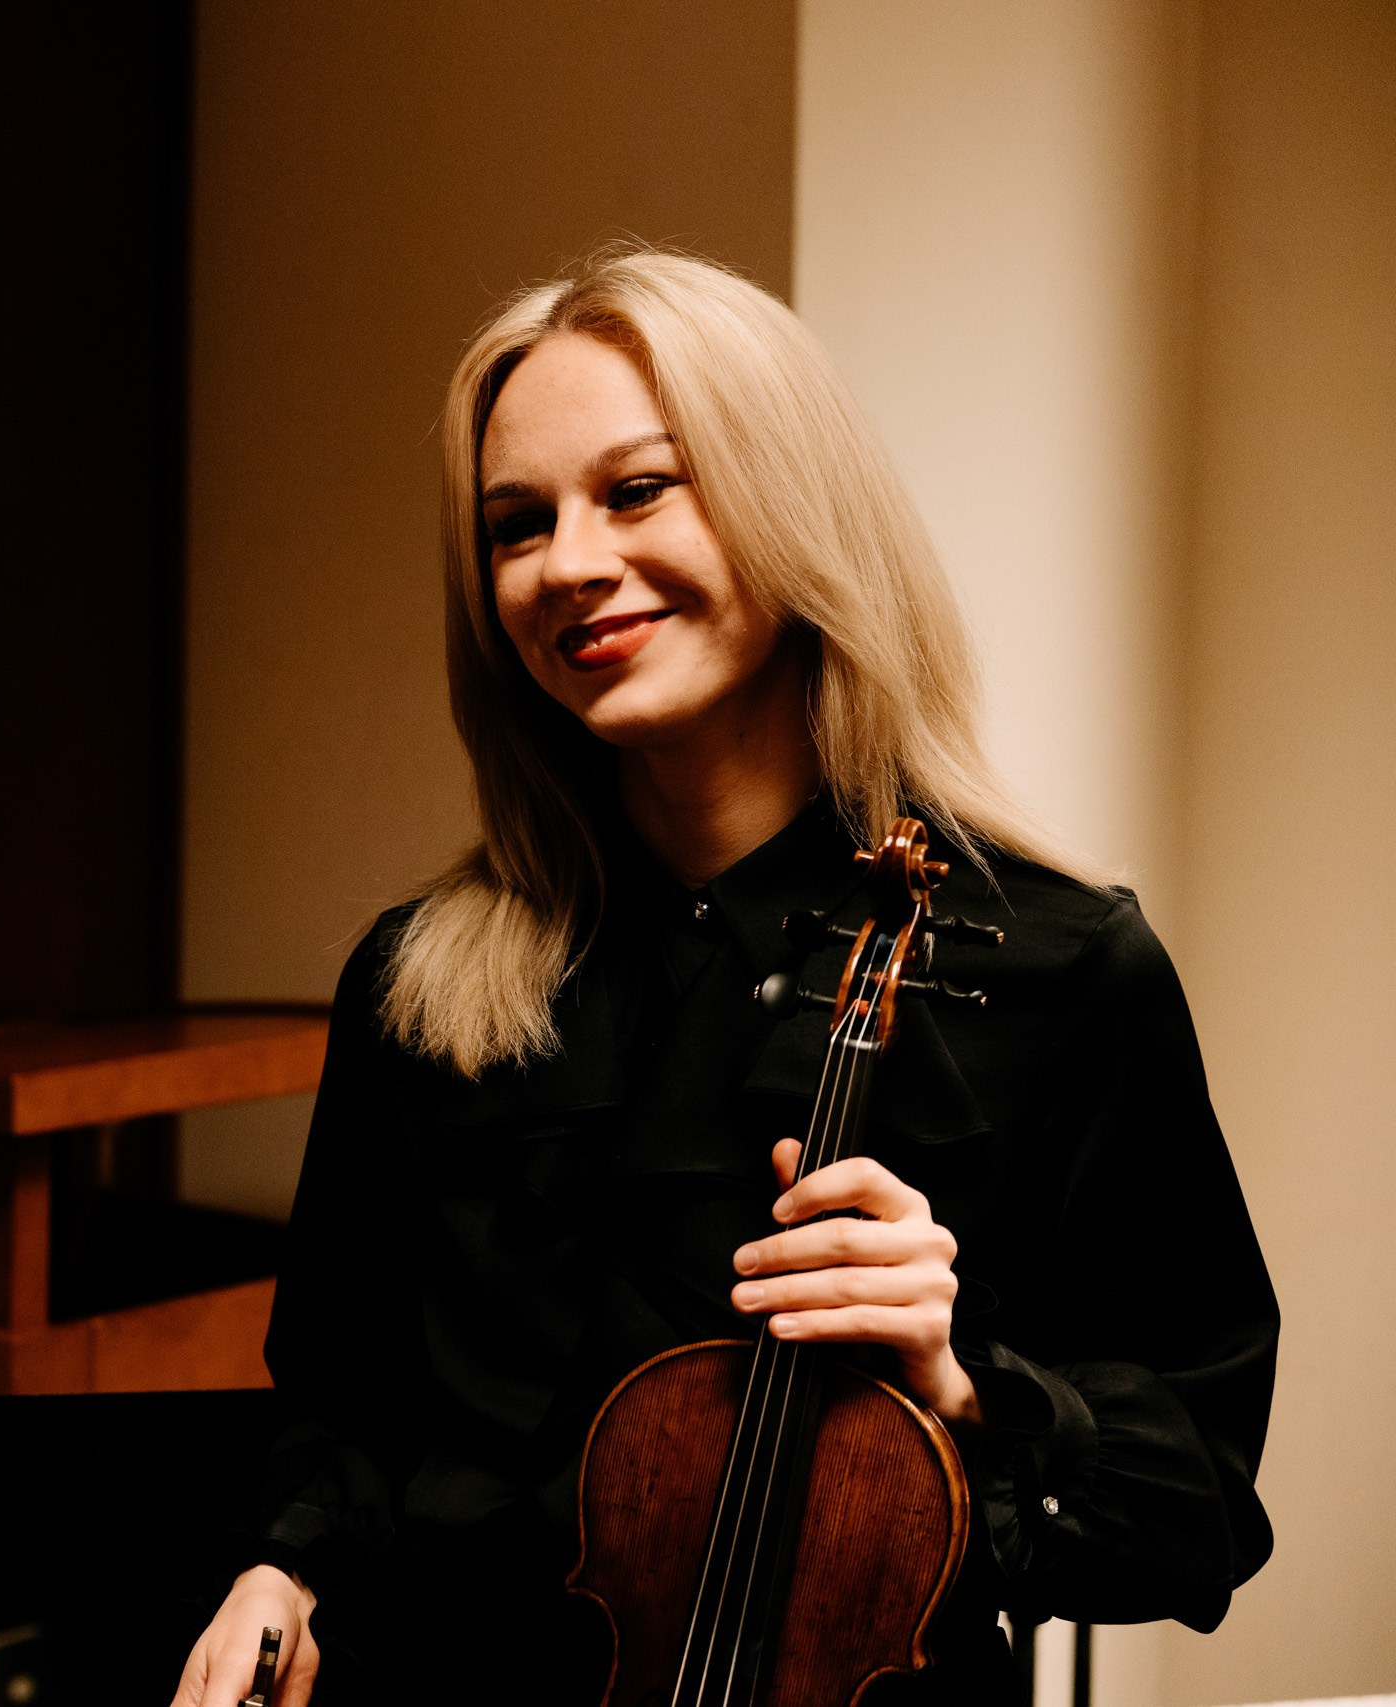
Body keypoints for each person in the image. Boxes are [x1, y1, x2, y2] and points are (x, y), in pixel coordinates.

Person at [169, 249, 1276, 1706]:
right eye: (515, 524)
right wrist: (282, 1567)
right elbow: (342, 1405)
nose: (566, 564)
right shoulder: (423, 984)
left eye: (638, 490)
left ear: (792, 507)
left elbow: (1193, 1512)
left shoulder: (1065, 970)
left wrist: (958, 1381)